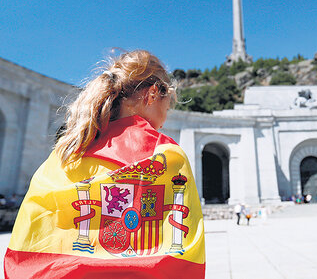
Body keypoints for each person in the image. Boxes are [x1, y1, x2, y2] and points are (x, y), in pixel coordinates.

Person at [4, 50, 205, 279]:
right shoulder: (166, 155)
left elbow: (28, 241)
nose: (163, 122)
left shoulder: (66, 154)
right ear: (152, 95)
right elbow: (184, 253)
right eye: (167, 108)